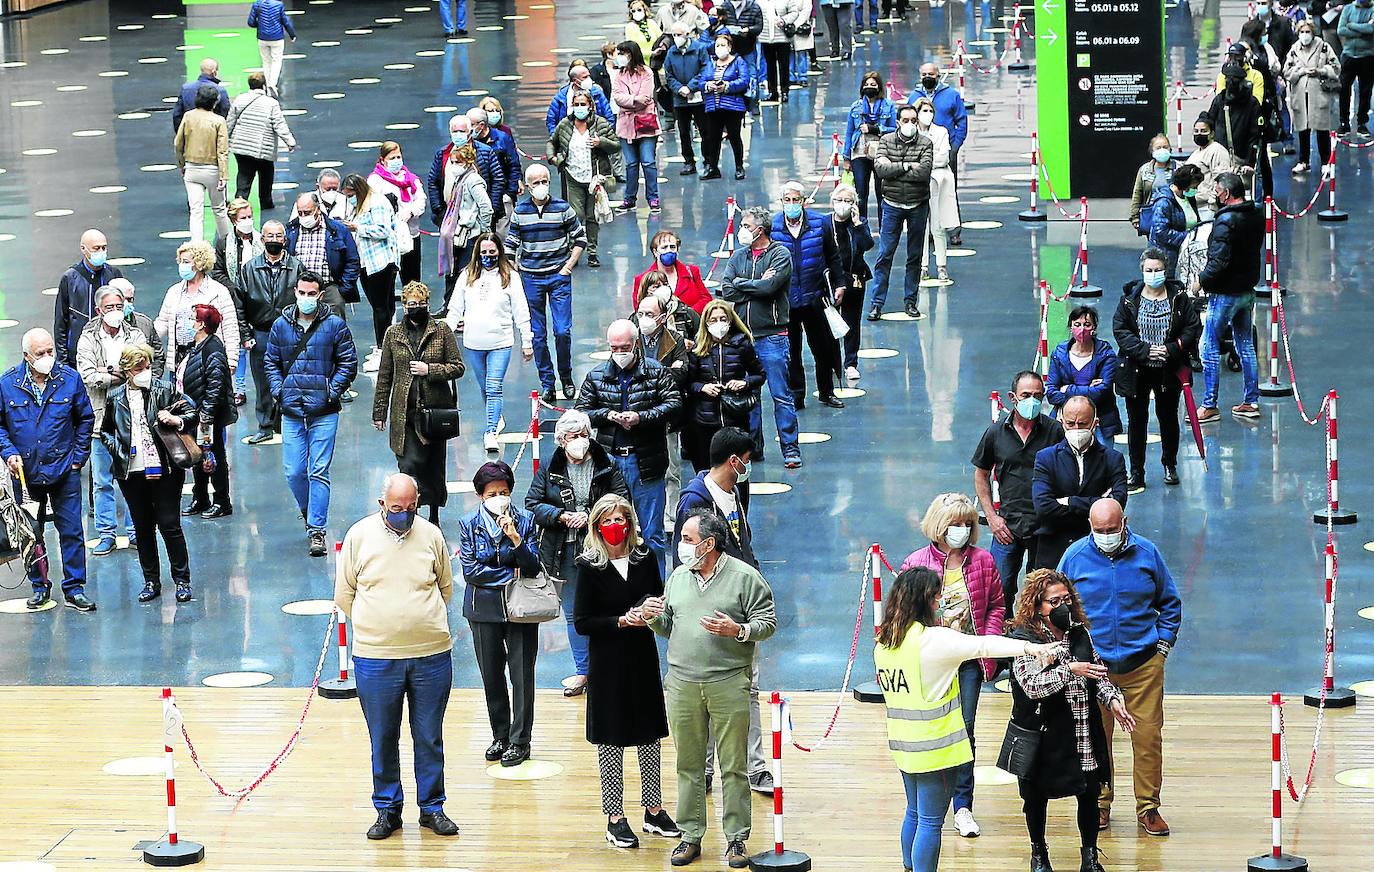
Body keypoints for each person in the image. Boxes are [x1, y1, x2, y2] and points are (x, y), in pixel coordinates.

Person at [873, 567, 1061, 872]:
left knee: (914, 813)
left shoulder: (885, 643)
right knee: (932, 823)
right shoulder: (935, 641)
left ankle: (908, 867)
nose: (939, 603)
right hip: (937, 748)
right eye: (936, 597)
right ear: (925, 600)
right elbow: (986, 644)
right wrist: (1032, 647)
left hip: (902, 745)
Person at [640, 510, 776, 868]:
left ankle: (736, 840)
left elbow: (768, 623)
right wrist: (653, 617)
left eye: (687, 539)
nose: (681, 545)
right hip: (682, 683)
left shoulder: (746, 578)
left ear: (709, 544)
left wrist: (738, 630)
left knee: (733, 765)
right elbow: (672, 626)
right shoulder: (678, 577)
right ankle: (690, 835)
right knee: (688, 763)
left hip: (728, 681)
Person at [335, 473, 458, 841]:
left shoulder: (431, 535)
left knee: (429, 735)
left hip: (431, 655)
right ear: (381, 505)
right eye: (396, 509)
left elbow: (446, 587)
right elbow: (345, 594)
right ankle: (387, 809)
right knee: (383, 737)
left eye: (410, 508)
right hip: (375, 658)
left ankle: (432, 807)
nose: (403, 514)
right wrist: (378, 628)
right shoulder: (359, 536)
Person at [1058, 498, 1183, 838]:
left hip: (1143, 666)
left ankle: (1149, 807)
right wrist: (1072, 653)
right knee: (1097, 740)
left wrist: (1162, 646)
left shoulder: (1148, 553)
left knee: (1147, 738)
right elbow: (1057, 609)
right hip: (1095, 671)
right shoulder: (1073, 558)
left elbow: (1169, 602)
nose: (1106, 536)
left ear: (1125, 522)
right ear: (1089, 526)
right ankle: (1100, 802)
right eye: (1099, 531)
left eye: (1112, 530)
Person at [571, 494, 681, 848]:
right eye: (608, 521)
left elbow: (660, 600)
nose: (615, 527)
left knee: (649, 735)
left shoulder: (645, 558)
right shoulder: (589, 566)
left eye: (621, 519)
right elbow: (583, 621)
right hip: (608, 662)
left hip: (642, 656)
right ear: (597, 527)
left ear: (631, 524)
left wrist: (650, 611)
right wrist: (621, 620)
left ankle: (654, 810)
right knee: (611, 740)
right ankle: (615, 817)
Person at [1007, 569, 1135, 872]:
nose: (1062, 606)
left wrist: (1112, 699)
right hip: (1044, 732)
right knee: (1036, 798)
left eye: (1066, 599)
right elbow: (1032, 686)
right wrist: (1069, 670)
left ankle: (1090, 857)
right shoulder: (1025, 640)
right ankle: (1039, 854)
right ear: (1038, 605)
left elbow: (1096, 673)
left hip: (1081, 728)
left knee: (1089, 794)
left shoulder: (1080, 633)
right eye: (1054, 601)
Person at [897, 493, 1006, 840]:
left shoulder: (984, 561)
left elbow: (996, 607)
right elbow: (903, 612)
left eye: (966, 524)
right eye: (954, 524)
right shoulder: (916, 562)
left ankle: (963, 806)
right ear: (938, 526)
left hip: (967, 662)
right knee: (931, 731)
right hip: (929, 661)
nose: (961, 530)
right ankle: (928, 804)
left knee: (965, 731)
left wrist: (985, 648)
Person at [526, 410, 630, 697]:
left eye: (584, 435)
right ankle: (584, 671)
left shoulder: (605, 463)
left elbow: (622, 499)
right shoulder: (549, 465)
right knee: (574, 614)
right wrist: (560, 515)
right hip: (565, 550)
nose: (580, 442)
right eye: (573, 437)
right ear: (561, 440)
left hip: (603, 547)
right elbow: (533, 503)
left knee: (610, 610)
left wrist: (593, 516)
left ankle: (611, 668)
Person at [264, 270, 359, 557]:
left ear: (319, 295)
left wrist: (332, 391)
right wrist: (280, 391)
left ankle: (316, 529)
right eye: (301, 292)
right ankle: (309, 511)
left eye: (311, 294)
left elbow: (348, 362)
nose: (306, 298)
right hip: (292, 410)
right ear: (295, 292)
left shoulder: (334, 325)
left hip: (324, 410)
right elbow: (270, 361)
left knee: (318, 470)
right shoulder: (281, 325)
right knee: (294, 472)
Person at [0, 329, 96, 612]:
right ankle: (39, 587)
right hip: (25, 475)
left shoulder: (69, 379)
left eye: (50, 351)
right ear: (27, 356)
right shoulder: (7, 384)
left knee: (72, 531)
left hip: (64, 470)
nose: (47, 358)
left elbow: (85, 419)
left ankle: (75, 588)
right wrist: (8, 452)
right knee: (32, 533)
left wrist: (78, 457)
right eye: (40, 354)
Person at [576, 319, 682, 573]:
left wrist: (641, 417)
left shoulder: (656, 373)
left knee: (652, 533)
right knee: (612, 532)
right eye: (615, 348)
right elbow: (582, 411)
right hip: (610, 464)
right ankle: (618, 587)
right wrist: (608, 415)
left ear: (636, 345)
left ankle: (657, 591)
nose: (620, 353)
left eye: (624, 347)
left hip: (646, 463)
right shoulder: (597, 376)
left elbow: (674, 404)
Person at [456, 461, 543, 768]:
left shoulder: (527, 520)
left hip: (521, 608)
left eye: (504, 492)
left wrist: (517, 540)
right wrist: (510, 576)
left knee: (522, 675)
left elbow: (532, 567)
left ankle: (521, 740)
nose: (499, 497)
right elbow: (472, 572)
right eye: (492, 492)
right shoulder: (468, 523)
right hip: (483, 609)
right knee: (491, 675)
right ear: (481, 495)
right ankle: (500, 735)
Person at [100, 344, 196, 604]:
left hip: (165, 468)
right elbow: (106, 430)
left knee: (169, 524)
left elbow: (191, 412)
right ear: (127, 370)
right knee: (143, 527)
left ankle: (182, 580)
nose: (144, 372)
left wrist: (176, 420)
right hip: (131, 471)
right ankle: (151, 580)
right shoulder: (116, 396)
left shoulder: (163, 390)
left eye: (147, 367)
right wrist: (118, 449)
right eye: (138, 368)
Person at [971, 371, 1063, 611]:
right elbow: (981, 474)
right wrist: (992, 517)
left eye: (1037, 395)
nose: (1031, 400)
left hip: (1045, 527)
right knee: (998, 590)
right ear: (1013, 397)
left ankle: (1036, 641)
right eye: (1026, 395)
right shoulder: (995, 433)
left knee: (1042, 593)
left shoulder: (1055, 432)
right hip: (1007, 527)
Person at [373, 282, 463, 524]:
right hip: (405, 415)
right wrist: (379, 412)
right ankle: (410, 513)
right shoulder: (393, 334)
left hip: (434, 414)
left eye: (421, 304)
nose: (417, 308)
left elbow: (457, 367)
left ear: (428, 304)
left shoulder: (441, 330)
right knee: (409, 464)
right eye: (411, 304)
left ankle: (433, 515)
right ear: (404, 306)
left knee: (433, 467)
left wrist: (429, 370)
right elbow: (385, 375)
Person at [1113, 249, 1201, 491]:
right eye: (1149, 270)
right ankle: (1136, 472)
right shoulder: (1129, 299)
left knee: (1168, 419)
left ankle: (1169, 465)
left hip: (1168, 370)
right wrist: (1144, 351)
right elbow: (1121, 331)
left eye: (1158, 270)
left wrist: (1172, 349)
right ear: (1142, 271)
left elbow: (1192, 327)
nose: (1154, 274)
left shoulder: (1179, 298)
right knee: (1137, 421)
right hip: (1137, 370)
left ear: (1166, 270)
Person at [719, 206, 800, 467]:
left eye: (746, 225)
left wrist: (743, 283)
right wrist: (751, 285)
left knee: (780, 395)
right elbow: (726, 290)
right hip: (744, 338)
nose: (742, 230)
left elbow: (771, 287)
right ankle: (753, 449)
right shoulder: (739, 256)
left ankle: (790, 449)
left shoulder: (780, 254)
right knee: (748, 397)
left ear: (760, 229)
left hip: (772, 336)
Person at [506, 164, 587, 403]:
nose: (541, 186)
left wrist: (568, 267)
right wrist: (515, 270)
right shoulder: (520, 212)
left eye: (544, 181)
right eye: (536, 183)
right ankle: (548, 383)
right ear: (528, 187)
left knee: (562, 330)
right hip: (531, 278)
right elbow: (510, 246)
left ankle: (567, 377)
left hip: (558, 276)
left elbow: (579, 238)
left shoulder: (563, 208)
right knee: (537, 335)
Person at [77, 286, 148, 554]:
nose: (116, 312)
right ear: (98, 311)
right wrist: (118, 372)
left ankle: (135, 530)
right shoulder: (87, 339)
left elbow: (141, 368)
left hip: (131, 419)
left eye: (120, 306)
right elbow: (88, 376)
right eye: (110, 308)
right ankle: (106, 533)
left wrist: (105, 371)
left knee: (134, 478)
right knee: (102, 481)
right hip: (99, 421)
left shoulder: (136, 334)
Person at [446, 233, 532, 451]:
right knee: (485, 387)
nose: (487, 256)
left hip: (500, 342)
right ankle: (496, 416)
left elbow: (521, 310)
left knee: (494, 387)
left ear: (499, 252)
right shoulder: (467, 276)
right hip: (474, 343)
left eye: (492, 252)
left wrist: (527, 341)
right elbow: (455, 308)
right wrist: (443, 334)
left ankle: (491, 431)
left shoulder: (511, 277)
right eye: (483, 252)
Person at [1031, 397, 1128, 571]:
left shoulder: (1113, 459)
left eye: (1082, 424)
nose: (1076, 429)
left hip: (1098, 552)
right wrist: (1098, 501)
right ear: (1061, 422)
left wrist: (1068, 501)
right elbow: (1043, 506)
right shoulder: (1045, 458)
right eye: (1070, 423)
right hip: (1054, 550)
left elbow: (1116, 504)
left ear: (1095, 423)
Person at [1196, 172, 1264, 423]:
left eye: (1216, 190)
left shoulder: (1225, 222)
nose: (1214, 194)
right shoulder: (1256, 213)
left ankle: (1209, 405)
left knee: (1208, 345)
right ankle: (1251, 401)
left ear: (1225, 192)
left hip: (1225, 293)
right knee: (1245, 345)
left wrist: (1200, 281)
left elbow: (1218, 261)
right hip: (1247, 291)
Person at [772, 180, 844, 410]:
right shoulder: (772, 226)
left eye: (796, 200)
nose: (792, 204)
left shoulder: (820, 223)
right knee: (791, 352)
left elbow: (833, 256)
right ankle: (797, 396)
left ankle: (827, 391)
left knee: (822, 348)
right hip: (787, 301)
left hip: (815, 298)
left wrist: (840, 283)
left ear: (803, 201)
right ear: (781, 202)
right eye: (787, 200)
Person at [868, 103, 934, 320]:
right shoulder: (886, 140)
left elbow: (924, 172)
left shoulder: (926, 143)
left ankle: (910, 302)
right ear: (897, 122)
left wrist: (895, 166)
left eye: (913, 121)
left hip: (918, 205)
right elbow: (880, 170)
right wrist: (907, 166)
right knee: (885, 255)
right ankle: (877, 304)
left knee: (914, 256)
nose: (910, 124)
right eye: (905, 120)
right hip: (892, 204)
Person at [683, 303, 764, 472]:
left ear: (730, 321)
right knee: (706, 470)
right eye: (713, 320)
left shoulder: (742, 344)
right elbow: (688, 383)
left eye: (722, 319)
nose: (718, 323)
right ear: (706, 323)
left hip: (735, 418)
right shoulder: (698, 348)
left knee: (738, 471)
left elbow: (760, 375)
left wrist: (745, 383)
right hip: (704, 420)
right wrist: (703, 387)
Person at [238, 220, 300, 444]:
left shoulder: (296, 267)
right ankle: (264, 426)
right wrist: (246, 335)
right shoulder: (250, 268)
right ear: (262, 239)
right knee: (262, 382)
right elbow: (240, 305)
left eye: (278, 236)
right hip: (261, 333)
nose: (274, 240)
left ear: (285, 239)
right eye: (269, 236)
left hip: (290, 332)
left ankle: (287, 423)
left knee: (290, 380)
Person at [547, 91, 619, 270]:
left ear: (590, 106)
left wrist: (601, 142)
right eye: (576, 104)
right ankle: (575, 250)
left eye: (583, 104)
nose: (579, 108)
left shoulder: (600, 123)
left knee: (592, 216)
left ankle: (592, 252)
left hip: (594, 178)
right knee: (575, 215)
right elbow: (552, 143)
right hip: (572, 177)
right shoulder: (564, 125)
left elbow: (616, 145)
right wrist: (554, 159)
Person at [178, 304, 235, 519]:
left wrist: (206, 415)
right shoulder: (197, 346)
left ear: (201, 324)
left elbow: (216, 385)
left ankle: (222, 501)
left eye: (192, 319)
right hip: (194, 412)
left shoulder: (213, 349)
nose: (188, 323)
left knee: (215, 456)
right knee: (197, 456)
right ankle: (200, 497)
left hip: (208, 416)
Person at [340, 173, 401, 367]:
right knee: (381, 306)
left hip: (382, 262)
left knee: (381, 307)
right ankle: (384, 346)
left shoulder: (378, 203)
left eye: (350, 194)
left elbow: (383, 230)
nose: (348, 198)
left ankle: (383, 349)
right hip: (367, 262)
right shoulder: (361, 203)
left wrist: (356, 227)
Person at [155, 241, 241, 378]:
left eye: (186, 261)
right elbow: (162, 323)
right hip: (179, 359)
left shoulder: (219, 292)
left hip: (208, 359)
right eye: (181, 261)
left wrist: (231, 361)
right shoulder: (174, 291)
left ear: (199, 263)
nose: (182, 265)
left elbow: (230, 328)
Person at [908, 62, 969, 244]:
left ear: (938, 75)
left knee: (948, 190)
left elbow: (962, 121)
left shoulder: (952, 95)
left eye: (931, 74)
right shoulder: (914, 97)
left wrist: (955, 145)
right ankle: (930, 231)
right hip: (918, 152)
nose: (928, 77)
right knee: (922, 192)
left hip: (945, 150)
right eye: (924, 74)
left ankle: (953, 231)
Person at [1047, 306, 1122, 448]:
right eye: (1077, 324)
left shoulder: (1106, 353)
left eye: (1087, 325)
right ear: (1071, 327)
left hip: (1101, 420)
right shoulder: (1059, 353)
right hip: (1066, 419)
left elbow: (1102, 392)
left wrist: (1067, 389)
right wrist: (1088, 389)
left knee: (1103, 462)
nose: (1082, 329)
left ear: (1094, 328)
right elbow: (1051, 393)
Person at [824, 184, 874, 382]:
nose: (843, 205)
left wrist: (857, 223)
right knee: (830, 323)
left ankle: (851, 363)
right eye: (839, 200)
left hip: (855, 278)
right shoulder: (824, 223)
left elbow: (867, 244)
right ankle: (832, 362)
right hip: (831, 280)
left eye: (848, 201)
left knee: (852, 322)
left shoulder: (859, 223)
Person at [285, 191, 362, 318]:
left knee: (334, 331)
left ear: (318, 210)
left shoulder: (338, 230)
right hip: (300, 291)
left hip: (329, 290)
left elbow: (352, 261)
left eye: (307, 212)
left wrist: (343, 290)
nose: (303, 216)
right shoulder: (291, 230)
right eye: (300, 213)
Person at [428, 115, 506, 238]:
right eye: (455, 131)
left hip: (479, 218)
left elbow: (497, 180)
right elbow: (433, 182)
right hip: (449, 217)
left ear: (470, 131)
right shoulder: (442, 154)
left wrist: (493, 211)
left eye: (462, 131)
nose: (458, 134)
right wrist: (439, 210)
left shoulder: (485, 151)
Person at [227, 72, 296, 210]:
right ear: (264, 86)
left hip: (242, 148)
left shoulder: (240, 99)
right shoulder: (271, 103)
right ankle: (266, 207)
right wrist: (290, 142)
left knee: (244, 179)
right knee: (265, 181)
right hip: (263, 149)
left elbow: (230, 122)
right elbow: (279, 124)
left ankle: (238, 209)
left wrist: (225, 141)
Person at [54, 229, 123, 367]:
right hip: (77, 355)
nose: (101, 251)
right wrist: (63, 361)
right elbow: (61, 321)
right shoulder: (70, 278)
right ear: (83, 249)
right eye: (96, 248)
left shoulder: (114, 274)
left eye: (104, 247)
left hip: (111, 351)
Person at [436, 142, 494, 304]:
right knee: (453, 273)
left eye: (458, 162)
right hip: (456, 235)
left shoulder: (473, 181)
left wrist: (484, 232)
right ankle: (450, 306)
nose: (454, 166)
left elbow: (486, 207)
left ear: (468, 163)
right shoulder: (459, 179)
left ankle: (464, 309)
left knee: (465, 273)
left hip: (470, 235)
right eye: (452, 162)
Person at [174, 84, 231, 244]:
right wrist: (224, 175)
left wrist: (182, 164)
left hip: (191, 169)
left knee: (196, 212)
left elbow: (178, 144)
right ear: (215, 102)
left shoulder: (188, 117)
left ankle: (197, 248)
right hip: (212, 170)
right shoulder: (219, 121)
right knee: (219, 210)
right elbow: (222, 151)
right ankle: (226, 246)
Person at [610, 41, 662, 212]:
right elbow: (617, 97)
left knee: (648, 162)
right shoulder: (618, 75)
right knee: (631, 164)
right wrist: (633, 100)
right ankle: (629, 199)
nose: (620, 57)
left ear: (632, 54)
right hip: (625, 126)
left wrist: (630, 101)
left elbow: (646, 98)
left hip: (646, 124)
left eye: (623, 53)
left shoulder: (646, 73)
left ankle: (653, 198)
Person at [1284, 20, 1342, 174]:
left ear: (1313, 32)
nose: (1305, 35)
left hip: (1319, 93)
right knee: (1302, 129)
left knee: (1322, 129)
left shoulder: (1323, 47)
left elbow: (1336, 67)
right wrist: (1301, 72)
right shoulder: (1294, 49)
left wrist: (1320, 71)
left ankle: (1325, 162)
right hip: (1300, 94)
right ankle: (1304, 161)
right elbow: (1287, 71)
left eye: (1307, 32)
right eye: (1302, 32)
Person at [912, 96, 958, 281]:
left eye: (930, 111)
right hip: (917, 183)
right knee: (920, 228)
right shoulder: (910, 132)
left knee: (938, 226)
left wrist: (922, 163)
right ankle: (922, 266)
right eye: (924, 111)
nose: (928, 114)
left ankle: (941, 266)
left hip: (938, 181)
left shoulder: (941, 132)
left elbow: (943, 158)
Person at [369, 141, 428, 286]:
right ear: (383, 160)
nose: (396, 161)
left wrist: (411, 211)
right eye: (392, 158)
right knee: (387, 280)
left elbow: (421, 200)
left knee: (412, 278)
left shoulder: (411, 179)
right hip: (388, 237)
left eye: (398, 157)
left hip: (411, 233)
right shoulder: (375, 181)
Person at [695, 33, 751, 180]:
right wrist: (708, 85)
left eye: (723, 45)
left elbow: (744, 81)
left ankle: (739, 166)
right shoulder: (710, 63)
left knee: (734, 136)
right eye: (717, 45)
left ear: (730, 47)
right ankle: (713, 167)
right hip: (713, 106)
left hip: (733, 107)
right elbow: (701, 81)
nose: (720, 48)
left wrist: (727, 86)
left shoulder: (739, 62)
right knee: (713, 137)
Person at [843, 72, 897, 225]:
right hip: (859, 152)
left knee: (882, 192)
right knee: (861, 193)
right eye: (866, 85)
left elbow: (893, 129)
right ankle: (861, 226)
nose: (869, 88)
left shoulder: (889, 105)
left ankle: (884, 227)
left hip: (881, 152)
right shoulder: (855, 106)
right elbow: (849, 132)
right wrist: (846, 157)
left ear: (879, 87)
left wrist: (875, 129)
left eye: (873, 85)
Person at [1203, 59, 1263, 183]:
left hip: (1240, 160)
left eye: (1233, 80)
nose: (1230, 83)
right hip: (1219, 157)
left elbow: (1254, 136)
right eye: (1227, 79)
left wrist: (1249, 162)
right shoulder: (1220, 100)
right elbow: (1210, 121)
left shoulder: (1252, 104)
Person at [664, 22, 710, 175]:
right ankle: (689, 161)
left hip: (698, 98)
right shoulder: (671, 52)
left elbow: (705, 69)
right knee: (683, 132)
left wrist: (691, 86)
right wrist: (679, 89)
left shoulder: (700, 49)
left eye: (679, 35)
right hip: (680, 99)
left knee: (705, 130)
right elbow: (668, 75)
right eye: (674, 35)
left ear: (687, 34)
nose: (676, 38)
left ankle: (708, 160)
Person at [1145, 164, 1202, 278]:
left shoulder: (1189, 198)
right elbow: (1161, 232)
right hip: (1166, 256)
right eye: (1194, 186)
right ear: (1185, 185)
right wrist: (1189, 236)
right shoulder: (1164, 201)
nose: (1196, 190)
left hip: (1185, 253)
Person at [633, 230, 711, 313]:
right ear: (655, 252)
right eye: (664, 247)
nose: (669, 250)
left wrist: (689, 314)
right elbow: (639, 311)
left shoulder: (692, 272)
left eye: (672, 247)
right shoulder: (643, 279)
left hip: (691, 323)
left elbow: (706, 299)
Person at [713, 0, 765, 116]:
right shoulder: (725, 6)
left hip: (748, 47)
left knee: (752, 76)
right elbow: (718, 22)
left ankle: (753, 103)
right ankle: (734, 101)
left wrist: (748, 30)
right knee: (729, 74)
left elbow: (759, 27)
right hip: (729, 48)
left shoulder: (754, 7)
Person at [109, 278, 163, 377]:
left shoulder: (145, 324)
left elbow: (157, 357)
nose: (126, 303)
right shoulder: (95, 328)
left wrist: (151, 381)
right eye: (122, 299)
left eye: (129, 299)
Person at [546, 59, 615, 136]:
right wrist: (558, 139)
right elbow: (551, 120)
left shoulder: (597, 93)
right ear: (575, 80)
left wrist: (602, 139)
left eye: (589, 76)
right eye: (585, 77)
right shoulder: (561, 96)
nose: (589, 79)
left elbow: (609, 117)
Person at [1337, 0, 1374, 135]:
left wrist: (1351, 25)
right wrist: (1363, 29)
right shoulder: (1347, 9)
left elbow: (1372, 29)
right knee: (1344, 89)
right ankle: (1344, 123)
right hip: (1348, 55)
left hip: (1368, 56)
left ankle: (1362, 123)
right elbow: (1341, 30)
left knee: (1365, 91)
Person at [1128, 134, 1176, 235]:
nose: (1162, 150)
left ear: (1170, 149)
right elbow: (1137, 193)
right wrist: (1135, 217)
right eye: (1158, 148)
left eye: (1165, 147)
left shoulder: (1178, 168)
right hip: (1151, 215)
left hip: (1173, 215)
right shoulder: (1144, 170)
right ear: (1152, 151)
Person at [1183, 119, 1232, 214]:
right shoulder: (1196, 152)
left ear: (1212, 133)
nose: (1199, 134)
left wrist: (1212, 201)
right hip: (1194, 204)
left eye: (1203, 131)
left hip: (1207, 207)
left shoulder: (1217, 150)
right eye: (1196, 131)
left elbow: (1222, 179)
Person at [247, 0, 295, 95]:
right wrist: (292, 34)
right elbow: (285, 21)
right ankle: (272, 84)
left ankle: (267, 85)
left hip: (262, 37)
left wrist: (260, 25)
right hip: (277, 38)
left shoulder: (257, 4)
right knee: (276, 61)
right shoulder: (279, 5)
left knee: (266, 61)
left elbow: (250, 22)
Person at [758, 0, 801, 103]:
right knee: (770, 65)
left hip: (782, 37)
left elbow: (794, 12)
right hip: (765, 37)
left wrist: (784, 20)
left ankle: (785, 91)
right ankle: (772, 92)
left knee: (784, 65)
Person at [170, 58, 229, 132]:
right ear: (214, 72)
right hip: (212, 134)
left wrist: (181, 135)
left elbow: (177, 115)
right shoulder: (220, 90)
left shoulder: (186, 88)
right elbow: (225, 114)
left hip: (190, 133)